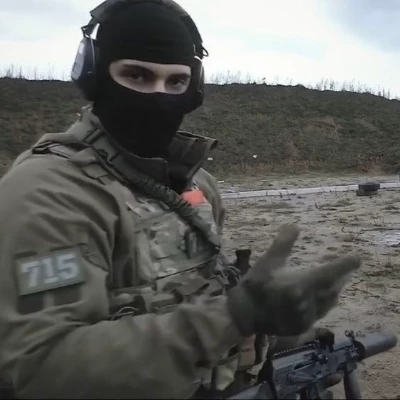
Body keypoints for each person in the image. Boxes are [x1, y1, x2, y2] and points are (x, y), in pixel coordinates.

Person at [0, 0, 360, 398]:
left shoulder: (196, 183)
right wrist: (234, 316)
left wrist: (281, 333)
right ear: (95, 75)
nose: (159, 96)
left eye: (176, 82)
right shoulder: (48, 193)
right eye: (137, 75)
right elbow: (43, 369)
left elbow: (206, 291)